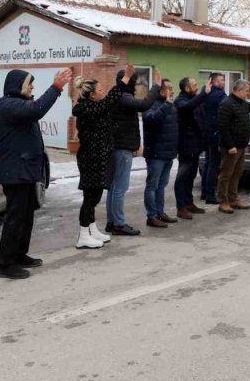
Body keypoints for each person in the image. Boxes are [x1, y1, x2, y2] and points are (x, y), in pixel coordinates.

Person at [0, 67, 72, 280]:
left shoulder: (19, 105)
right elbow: (38, 109)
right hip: (14, 172)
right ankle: (5, 264)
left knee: (26, 216)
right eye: (30, 84)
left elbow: (34, 109)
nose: (32, 88)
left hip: (24, 171)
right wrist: (56, 87)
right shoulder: (8, 105)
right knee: (15, 218)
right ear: (18, 86)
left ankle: (19, 254)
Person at [71, 71, 128, 249]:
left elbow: (108, 107)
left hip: (98, 158)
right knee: (90, 197)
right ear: (92, 94)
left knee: (94, 197)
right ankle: (83, 235)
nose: (103, 92)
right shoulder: (88, 108)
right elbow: (109, 100)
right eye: (100, 90)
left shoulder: (94, 108)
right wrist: (124, 81)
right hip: (90, 159)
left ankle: (91, 229)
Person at [106, 66, 162, 236]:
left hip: (120, 146)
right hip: (121, 148)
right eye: (135, 82)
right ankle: (118, 223)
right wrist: (156, 87)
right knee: (119, 187)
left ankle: (112, 222)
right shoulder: (123, 96)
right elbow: (144, 104)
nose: (137, 85)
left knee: (114, 187)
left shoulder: (117, 94)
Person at [216, 80, 250, 213]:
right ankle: (223, 202)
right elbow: (223, 127)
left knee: (236, 174)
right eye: (247, 91)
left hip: (241, 145)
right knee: (226, 174)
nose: (248, 93)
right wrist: (230, 145)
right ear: (239, 90)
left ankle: (233, 199)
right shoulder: (227, 103)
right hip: (231, 147)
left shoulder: (242, 103)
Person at [142, 79, 179, 228]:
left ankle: (160, 212)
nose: (172, 91)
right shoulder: (151, 104)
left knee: (162, 186)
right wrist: (167, 105)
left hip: (168, 153)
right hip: (155, 154)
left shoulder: (171, 105)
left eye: (173, 88)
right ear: (161, 91)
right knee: (152, 186)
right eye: (169, 88)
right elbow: (151, 119)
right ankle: (151, 216)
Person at [174, 76, 212, 219]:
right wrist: (204, 93)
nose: (197, 87)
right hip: (185, 146)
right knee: (182, 177)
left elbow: (202, 120)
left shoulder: (195, 99)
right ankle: (181, 207)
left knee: (191, 175)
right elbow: (188, 106)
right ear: (187, 88)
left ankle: (189, 203)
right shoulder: (180, 101)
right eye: (194, 85)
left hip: (196, 145)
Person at [200, 73, 227, 205]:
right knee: (213, 165)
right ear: (215, 81)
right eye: (222, 80)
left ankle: (205, 192)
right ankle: (210, 194)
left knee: (208, 162)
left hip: (207, 132)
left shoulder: (205, 93)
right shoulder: (220, 95)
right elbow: (227, 111)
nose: (224, 82)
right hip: (215, 132)